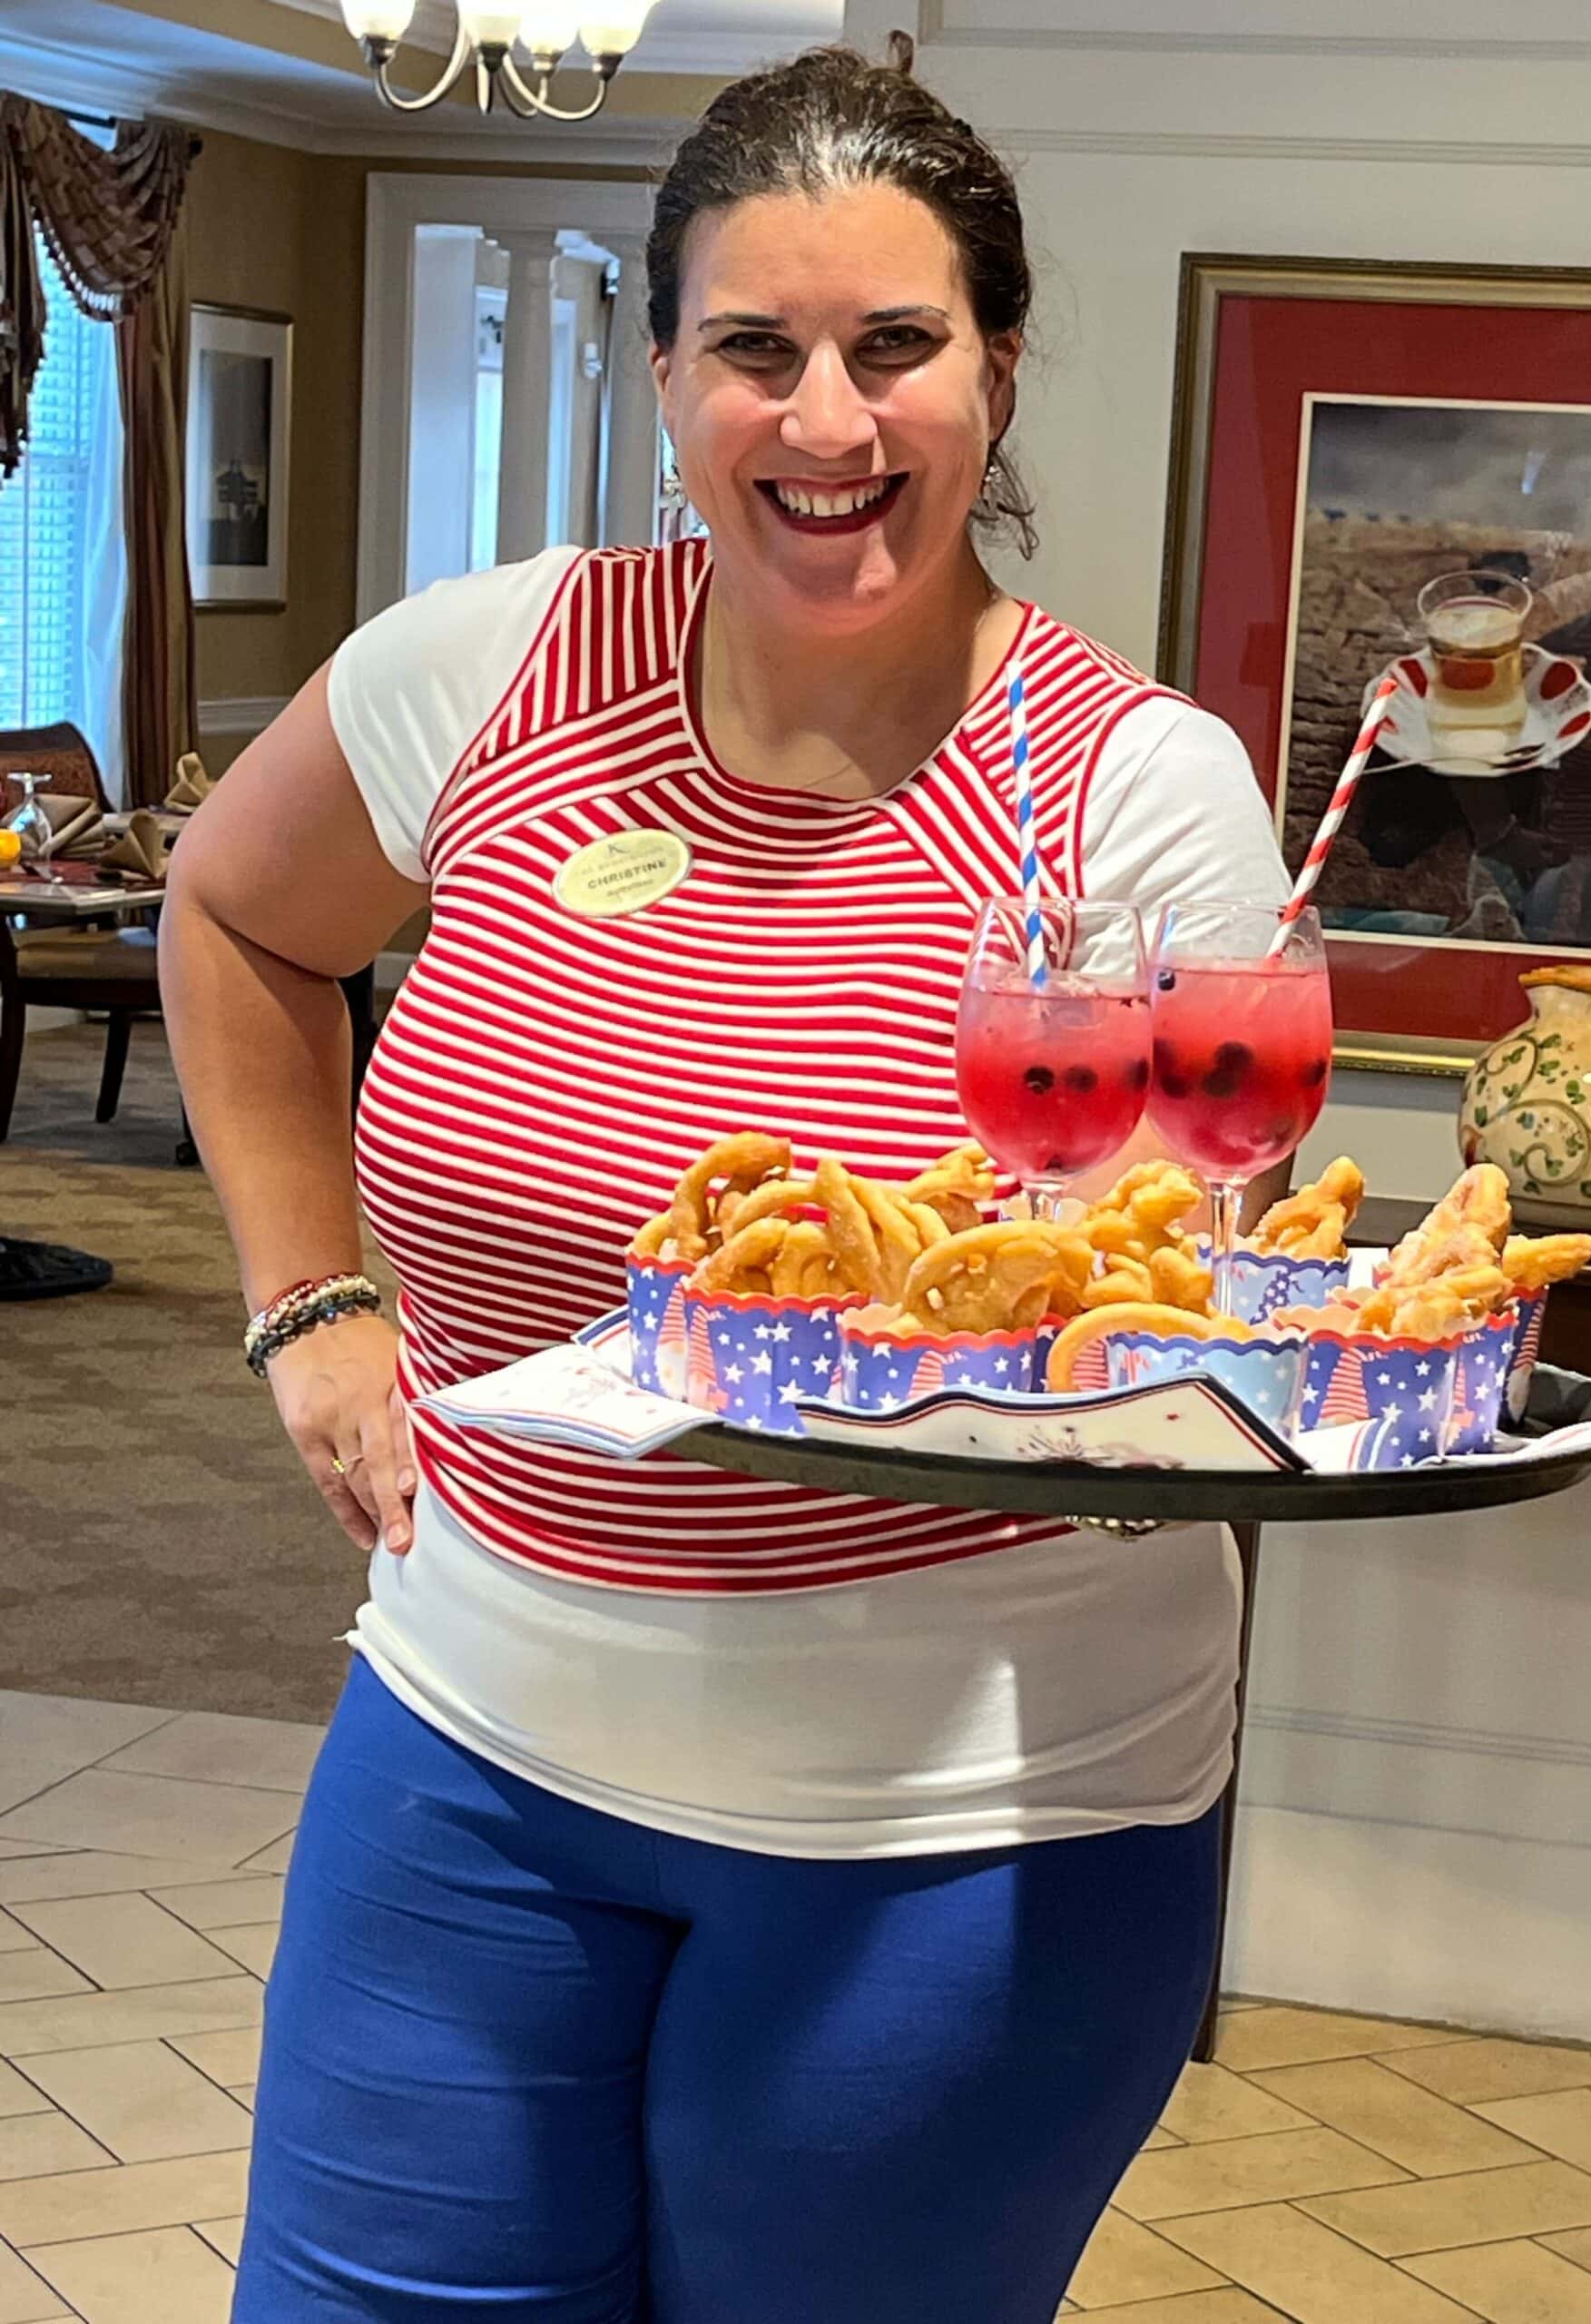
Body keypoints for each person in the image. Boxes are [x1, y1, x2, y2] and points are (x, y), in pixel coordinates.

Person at [162, 40, 1290, 2323]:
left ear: (995, 364)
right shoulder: (483, 673)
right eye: (755, 350)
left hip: (970, 1804)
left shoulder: (1145, 795)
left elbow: (1199, 1313)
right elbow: (236, 917)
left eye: (897, 345)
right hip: (480, 1728)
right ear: (661, 366)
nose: (829, 422)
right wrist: (312, 1298)